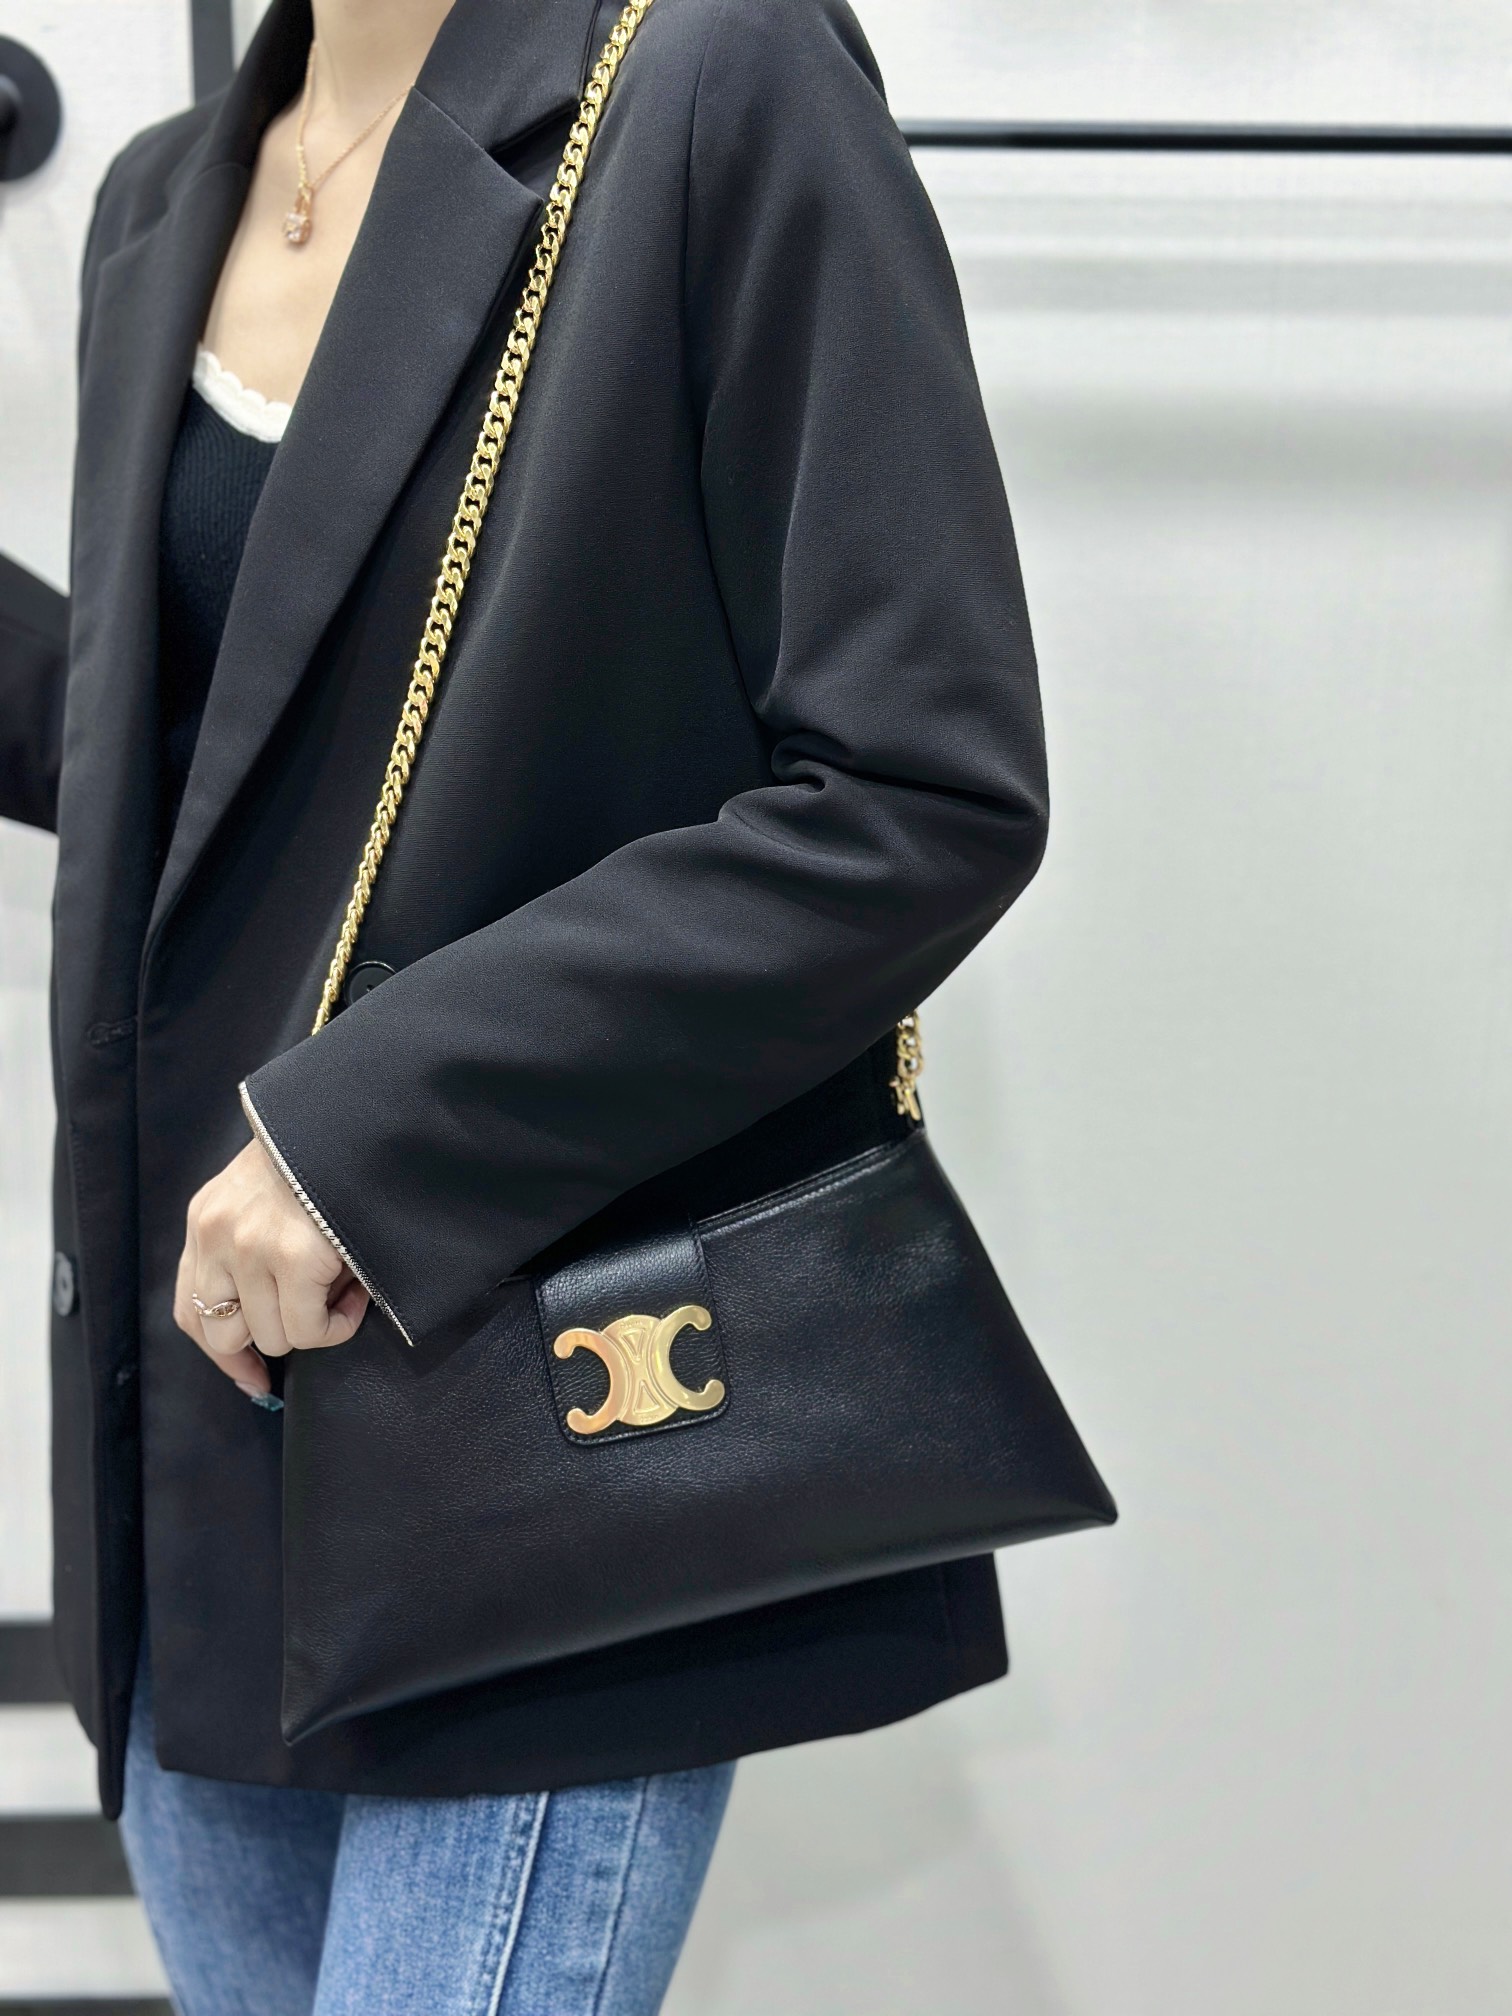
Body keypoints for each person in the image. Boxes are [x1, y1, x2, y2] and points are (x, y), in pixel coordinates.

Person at [0, 0, 1049, 2008]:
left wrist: (358, 1139)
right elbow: (220, 763)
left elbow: (921, 789)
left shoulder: (711, 84)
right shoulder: (163, 197)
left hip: (536, 1420)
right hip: (197, 1458)